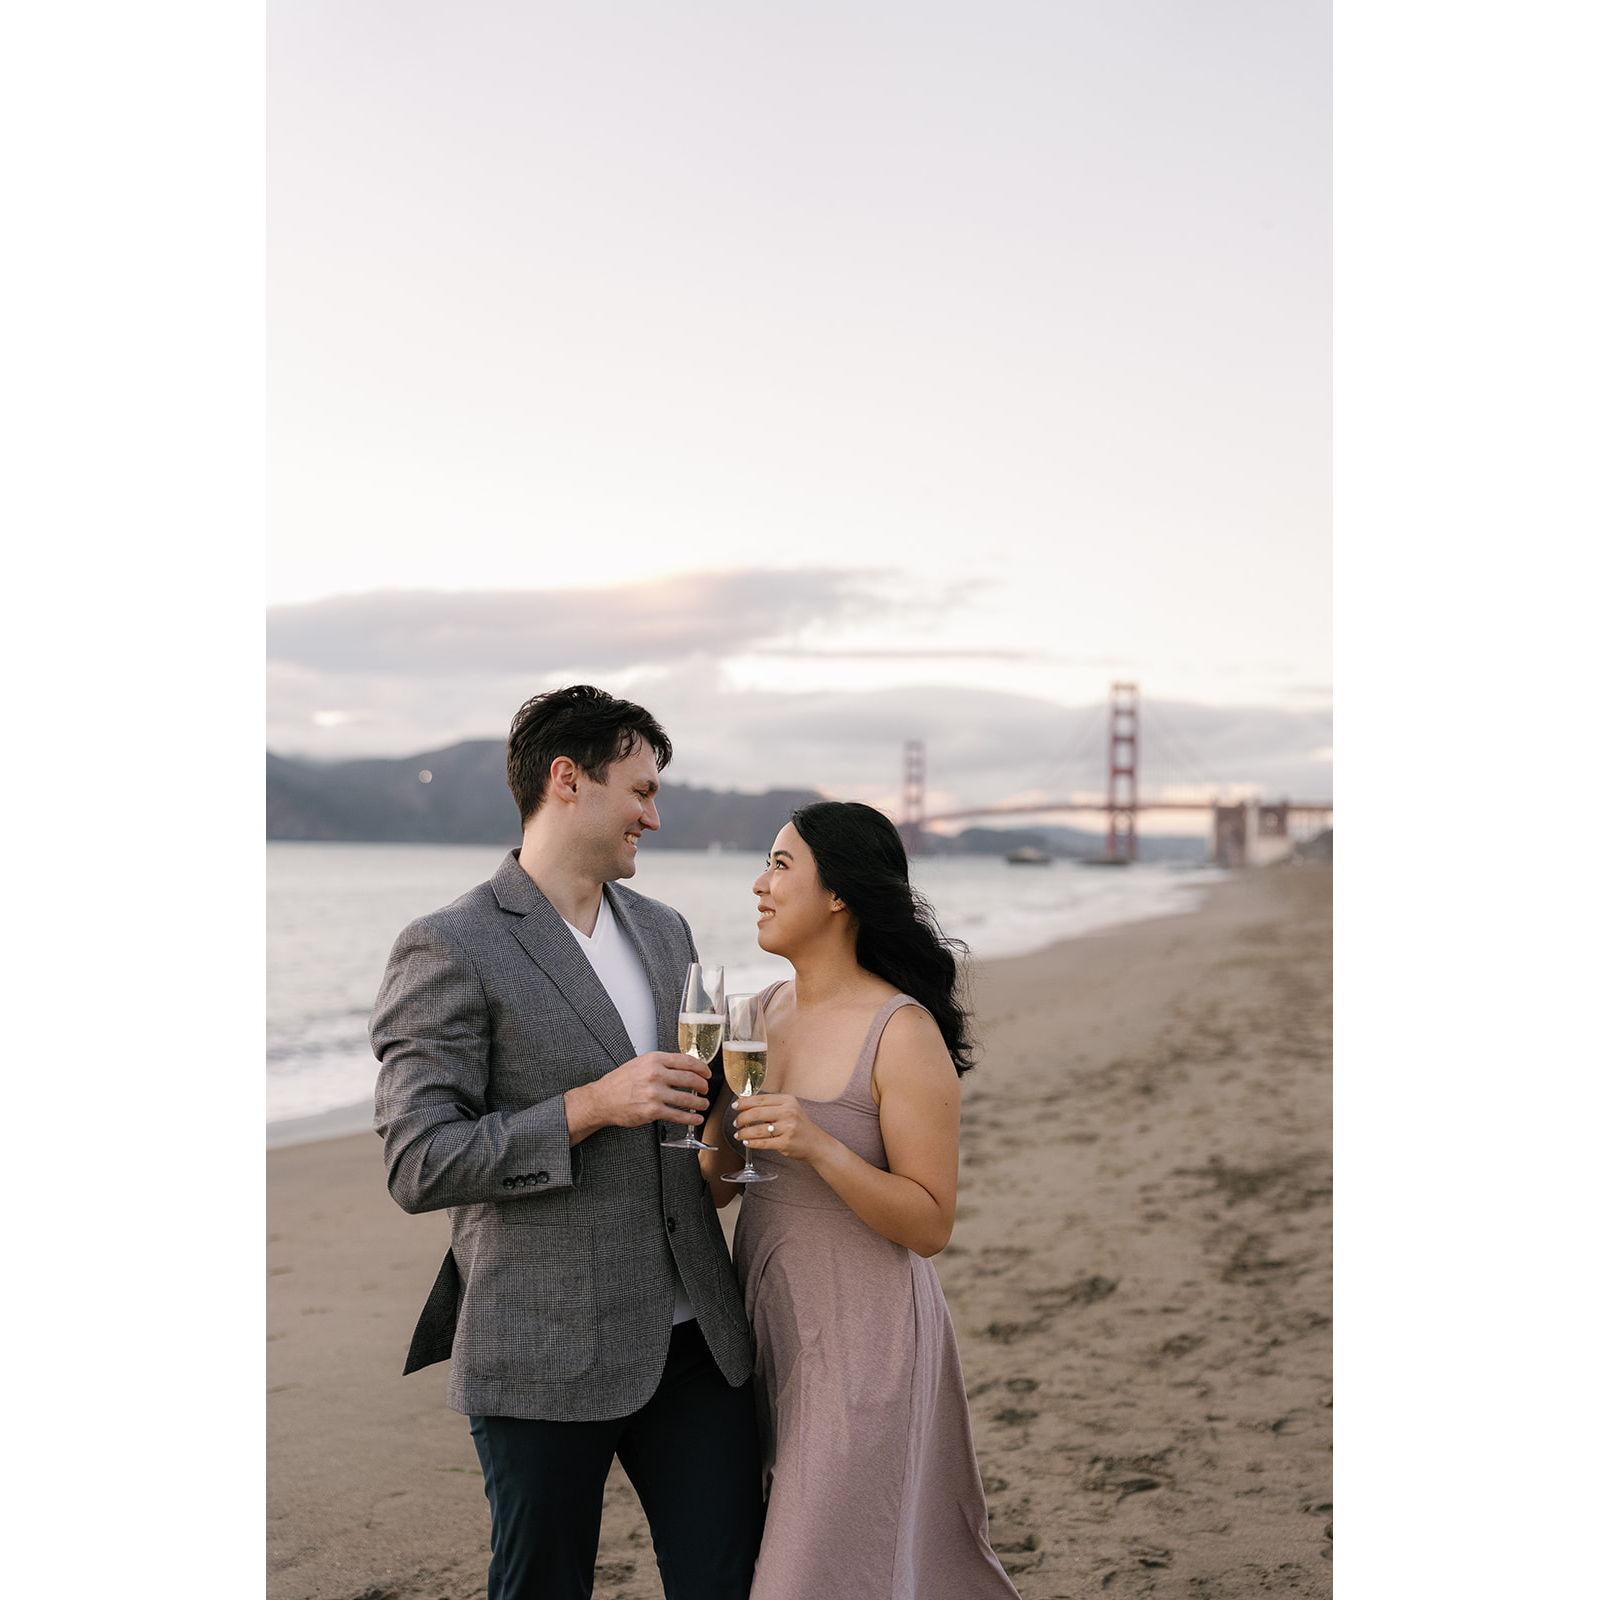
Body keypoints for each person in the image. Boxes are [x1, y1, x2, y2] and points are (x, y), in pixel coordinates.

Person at [371, 685, 763, 1600]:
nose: (654, 817)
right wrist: (590, 1105)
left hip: (696, 1336)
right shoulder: (450, 944)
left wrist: (733, 1136)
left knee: (731, 1583)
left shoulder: (666, 933)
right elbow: (419, 1161)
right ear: (567, 780)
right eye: (640, 790)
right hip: (541, 1344)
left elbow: (686, 1119)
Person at [699, 801, 1024, 1600]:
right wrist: (690, 1108)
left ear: (838, 894)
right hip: (763, 1332)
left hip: (865, 1340)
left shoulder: (900, 1031)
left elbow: (930, 1220)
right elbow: (714, 1184)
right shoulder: (750, 1018)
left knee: (808, 1578)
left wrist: (819, 1144)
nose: (759, 885)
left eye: (781, 866)